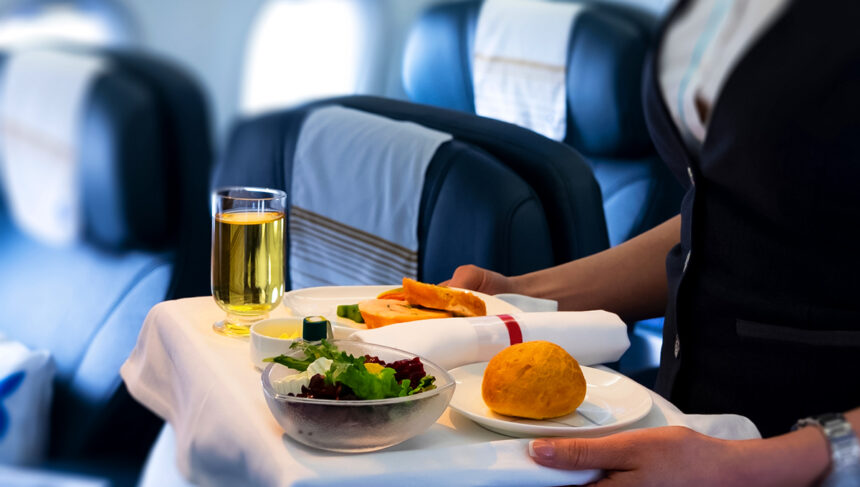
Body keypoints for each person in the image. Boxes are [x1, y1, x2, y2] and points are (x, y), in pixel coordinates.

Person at [445, 0, 860, 485]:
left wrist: (753, 466)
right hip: (688, 427)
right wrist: (516, 296)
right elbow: (725, 218)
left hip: (804, 454)